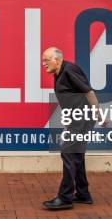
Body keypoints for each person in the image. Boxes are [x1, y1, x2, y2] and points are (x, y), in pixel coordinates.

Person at [41, 47, 105, 210]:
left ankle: (65, 198)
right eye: (43, 60)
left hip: (83, 118)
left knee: (68, 154)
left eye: (46, 60)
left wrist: (99, 115)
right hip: (76, 118)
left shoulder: (69, 71)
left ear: (58, 59)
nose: (44, 64)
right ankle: (83, 194)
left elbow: (88, 92)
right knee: (76, 155)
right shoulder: (59, 72)